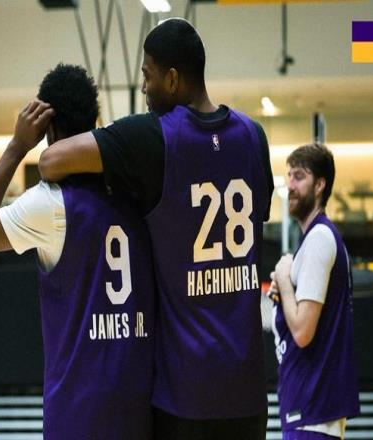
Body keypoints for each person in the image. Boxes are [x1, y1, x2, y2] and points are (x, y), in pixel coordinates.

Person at [36, 19, 274, 439]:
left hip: (184, 393)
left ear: (173, 79)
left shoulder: (155, 137)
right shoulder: (254, 137)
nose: (144, 88)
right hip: (249, 391)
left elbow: (51, 161)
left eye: (147, 76)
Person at [0, 64, 155, 440]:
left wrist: (17, 146)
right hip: (138, 408)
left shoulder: (51, 203)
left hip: (77, 414)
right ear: (95, 120)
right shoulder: (136, 191)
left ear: (46, 128)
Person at [270, 143, 360, 440]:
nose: (290, 186)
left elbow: (303, 331)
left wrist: (284, 279)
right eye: (288, 176)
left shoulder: (320, 238)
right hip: (309, 410)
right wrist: (285, 289)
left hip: (313, 410)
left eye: (299, 177)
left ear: (320, 185)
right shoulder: (315, 239)